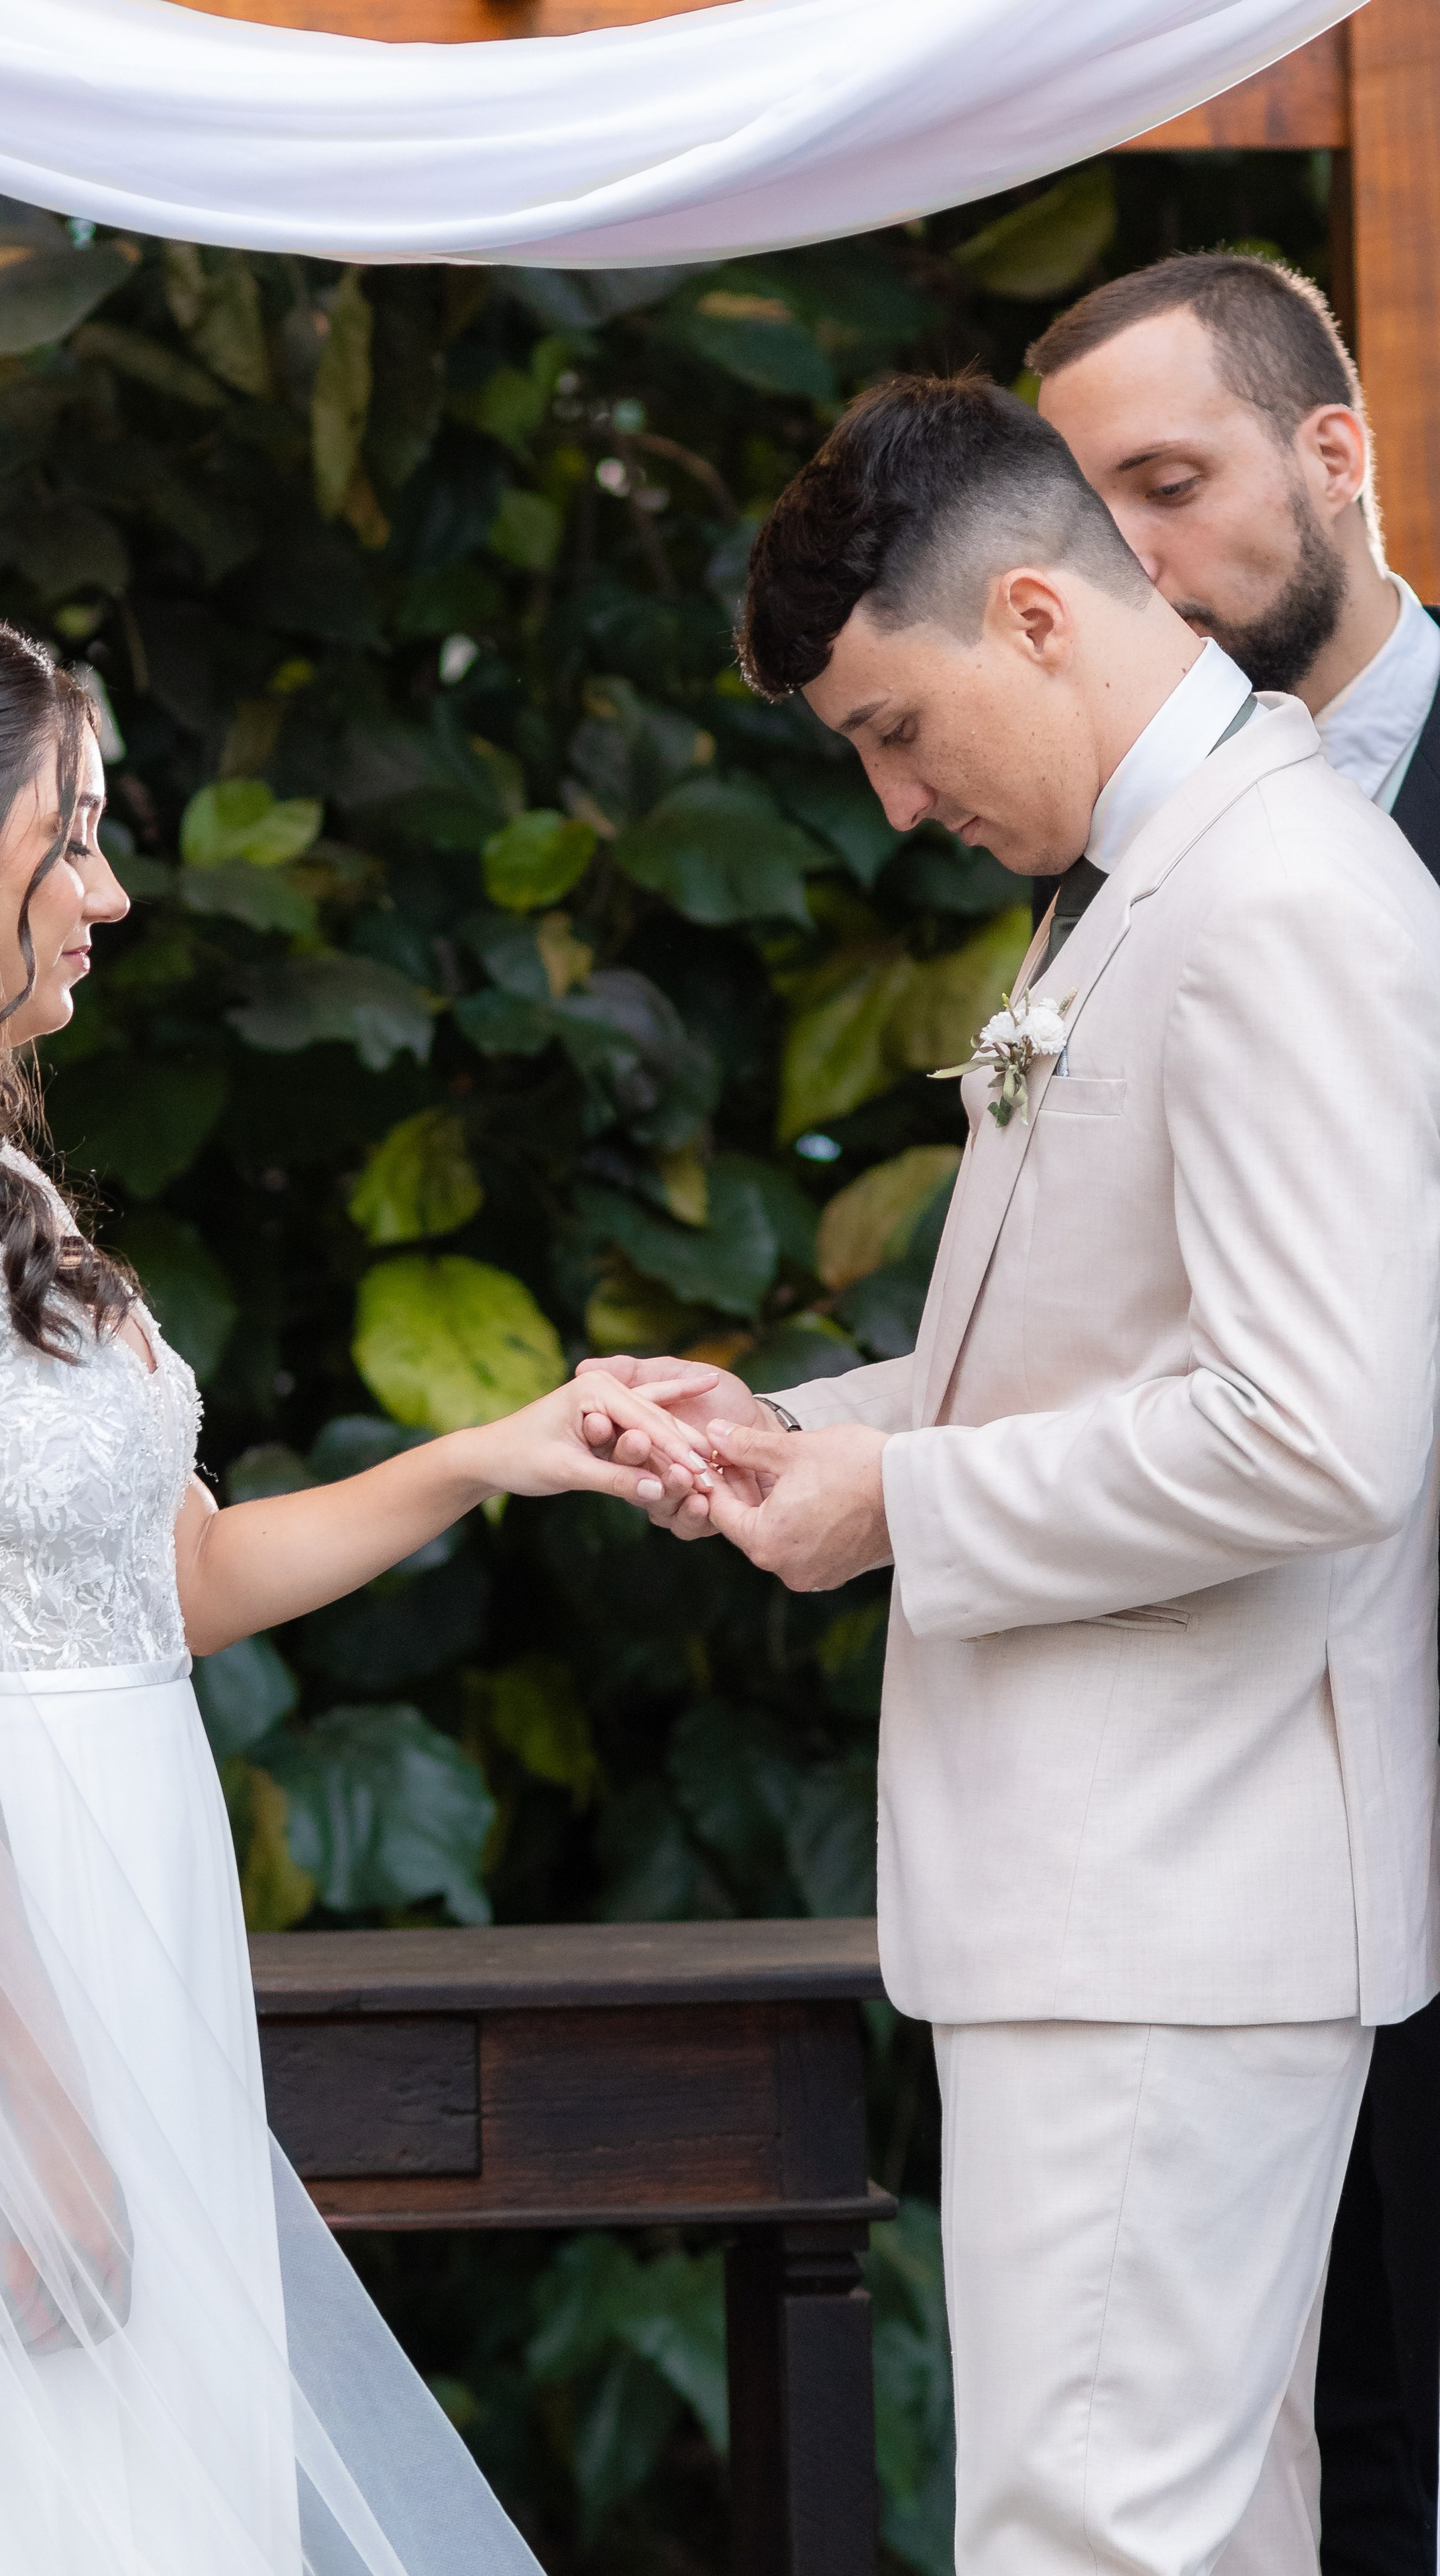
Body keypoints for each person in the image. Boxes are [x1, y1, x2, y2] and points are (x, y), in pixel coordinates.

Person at [0, 594, 712, 2576]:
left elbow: (164, 1582)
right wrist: (38, 2103)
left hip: (109, 1894)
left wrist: (491, 1450)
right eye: (66, 834)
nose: (105, 888)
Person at [582, 374, 1440, 2576]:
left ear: (1038, 616)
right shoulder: (1166, 875)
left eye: (892, 726)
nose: (889, 803)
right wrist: (816, 1431)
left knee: (1092, 2537)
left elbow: (1321, 1425)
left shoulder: (1275, 898)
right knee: (1193, 2534)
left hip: (1177, 1883)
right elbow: (1120, 1349)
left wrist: (904, 1512)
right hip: (1147, 1885)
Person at [1026, 252, 1440, 2576]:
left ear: (1336, 454)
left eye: (1170, 490)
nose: (1139, 571)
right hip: (1267, 1813)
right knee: (1315, 2441)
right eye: (1092, 524)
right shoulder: (1111, 868)